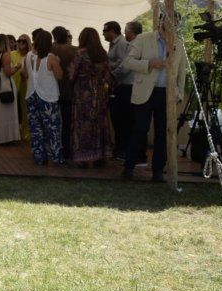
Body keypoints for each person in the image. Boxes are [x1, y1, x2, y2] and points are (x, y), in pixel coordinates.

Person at [122, 14, 186, 182]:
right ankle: (128, 168)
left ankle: (158, 171)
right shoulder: (144, 38)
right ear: (161, 20)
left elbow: (182, 73)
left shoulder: (178, 43)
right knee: (140, 130)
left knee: (163, 134)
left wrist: (179, 93)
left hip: (167, 94)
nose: (172, 23)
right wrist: (149, 63)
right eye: (169, 19)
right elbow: (128, 62)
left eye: (176, 21)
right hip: (145, 92)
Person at [69, 27, 113, 165]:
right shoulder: (103, 54)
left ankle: (83, 159)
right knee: (99, 125)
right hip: (99, 94)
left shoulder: (80, 54)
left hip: (83, 94)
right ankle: (100, 157)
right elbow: (108, 77)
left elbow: (71, 75)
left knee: (82, 125)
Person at [21, 30, 64, 165]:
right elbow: (59, 75)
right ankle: (56, 157)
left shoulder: (28, 56)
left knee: (35, 128)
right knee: (52, 128)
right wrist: (58, 62)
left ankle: (39, 157)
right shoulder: (51, 58)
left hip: (31, 95)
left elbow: (24, 73)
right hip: (48, 97)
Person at [103, 21, 133, 159]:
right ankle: (120, 148)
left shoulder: (121, 44)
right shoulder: (114, 44)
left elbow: (124, 64)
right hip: (118, 85)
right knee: (117, 119)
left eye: (105, 31)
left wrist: (111, 72)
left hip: (123, 86)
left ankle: (122, 150)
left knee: (121, 119)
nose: (103, 33)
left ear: (112, 31)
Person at [0, 34, 21, 145]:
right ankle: (8, 138)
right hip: (5, 85)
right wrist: (17, 67)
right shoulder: (6, 55)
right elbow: (8, 72)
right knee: (8, 112)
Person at [51, 26, 77, 158]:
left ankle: (53, 149)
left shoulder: (49, 49)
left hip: (51, 91)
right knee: (67, 123)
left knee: (52, 122)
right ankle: (67, 149)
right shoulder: (75, 50)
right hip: (70, 90)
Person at [15, 34, 32, 140]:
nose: (20, 43)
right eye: (19, 41)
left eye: (23, 41)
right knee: (13, 111)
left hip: (26, 84)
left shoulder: (30, 55)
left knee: (25, 109)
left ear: (28, 43)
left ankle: (26, 133)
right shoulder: (12, 54)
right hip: (13, 85)